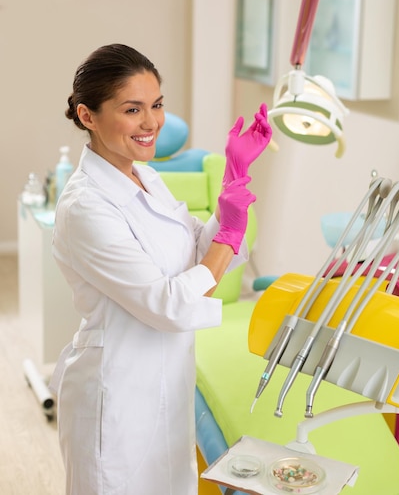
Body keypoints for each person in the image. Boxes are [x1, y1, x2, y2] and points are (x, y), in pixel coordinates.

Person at [50, 43, 272, 495]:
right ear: (87, 116)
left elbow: (191, 248)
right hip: (115, 393)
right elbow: (168, 303)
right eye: (133, 109)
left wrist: (233, 183)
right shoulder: (86, 206)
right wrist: (228, 237)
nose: (152, 122)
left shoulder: (146, 177)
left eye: (157, 105)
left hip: (167, 383)